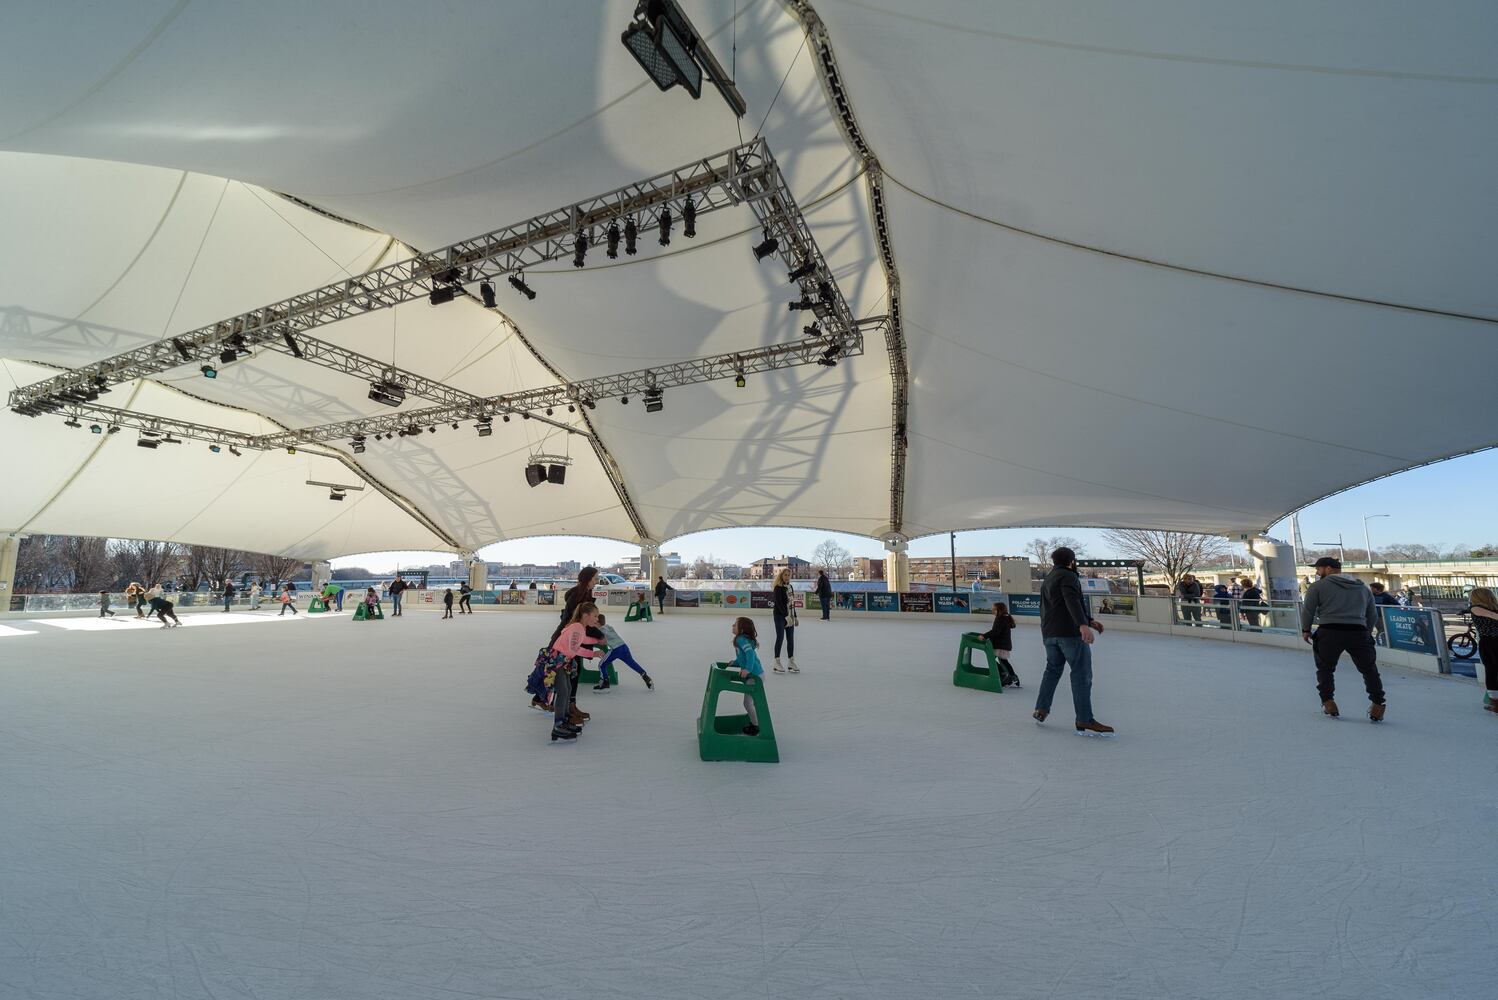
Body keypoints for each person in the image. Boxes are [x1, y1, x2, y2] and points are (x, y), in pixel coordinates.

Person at [1032, 547, 1114, 736]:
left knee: (1052, 670)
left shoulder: (1050, 578)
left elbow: (1055, 605)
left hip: (1049, 633)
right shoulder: (1069, 576)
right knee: (1081, 674)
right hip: (1069, 634)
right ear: (1072, 561)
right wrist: (1082, 626)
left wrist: (1089, 621)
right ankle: (1084, 719)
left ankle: (1041, 709)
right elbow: (1071, 600)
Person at [1299, 557, 1385, 721]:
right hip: (1358, 632)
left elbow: (1308, 610)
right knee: (1369, 669)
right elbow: (1372, 614)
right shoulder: (1363, 588)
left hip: (1329, 632)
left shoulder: (1318, 586)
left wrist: (1306, 629)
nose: (1317, 572)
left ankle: (1328, 702)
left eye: (1319, 568)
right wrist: (1365, 631)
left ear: (1329, 569)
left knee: (1325, 669)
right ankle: (1378, 704)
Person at [529, 601, 603, 742]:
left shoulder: (580, 628)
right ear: (586, 615)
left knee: (567, 689)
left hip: (562, 661)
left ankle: (565, 720)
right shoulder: (577, 627)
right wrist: (593, 654)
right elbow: (575, 649)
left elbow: (583, 639)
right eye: (595, 616)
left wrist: (596, 640)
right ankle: (558, 726)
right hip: (556, 661)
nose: (596, 619)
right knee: (563, 691)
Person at [592, 613, 654, 691]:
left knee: (601, 665)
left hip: (615, 649)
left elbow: (602, 641)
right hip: (624, 647)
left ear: (597, 623)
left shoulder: (600, 631)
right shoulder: (608, 626)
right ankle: (645, 675)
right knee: (632, 663)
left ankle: (605, 683)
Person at [1462, 587, 1498, 714]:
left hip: (1490, 643)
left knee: (1492, 671)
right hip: (1490, 642)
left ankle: (1495, 702)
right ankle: (1494, 702)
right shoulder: (1476, 609)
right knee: (1492, 670)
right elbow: (1493, 616)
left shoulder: (1478, 608)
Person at [731, 617, 765, 735]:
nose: (732, 626)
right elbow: (743, 657)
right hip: (757, 674)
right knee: (752, 702)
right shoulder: (742, 639)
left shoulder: (741, 640)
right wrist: (735, 663)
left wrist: (747, 669)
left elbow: (750, 653)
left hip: (754, 676)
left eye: (735, 625)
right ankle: (756, 722)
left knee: (747, 703)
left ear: (741, 629)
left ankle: (756, 726)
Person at [973, 602, 1020, 688]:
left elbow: (995, 631)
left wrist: (984, 636)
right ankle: (1011, 676)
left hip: (1000, 644)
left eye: (994, 609)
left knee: (994, 659)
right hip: (1003, 643)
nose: (992, 610)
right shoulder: (1005, 617)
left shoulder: (1000, 618)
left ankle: (1006, 675)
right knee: (1002, 661)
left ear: (999, 610)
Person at [770, 568, 798, 673]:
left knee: (790, 639)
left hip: (789, 616)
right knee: (780, 638)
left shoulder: (790, 587)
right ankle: (776, 662)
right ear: (781, 576)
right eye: (785, 575)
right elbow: (779, 604)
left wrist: (795, 616)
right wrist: (786, 616)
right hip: (779, 616)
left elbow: (792, 603)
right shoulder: (778, 588)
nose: (787, 577)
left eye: (788, 575)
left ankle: (791, 662)